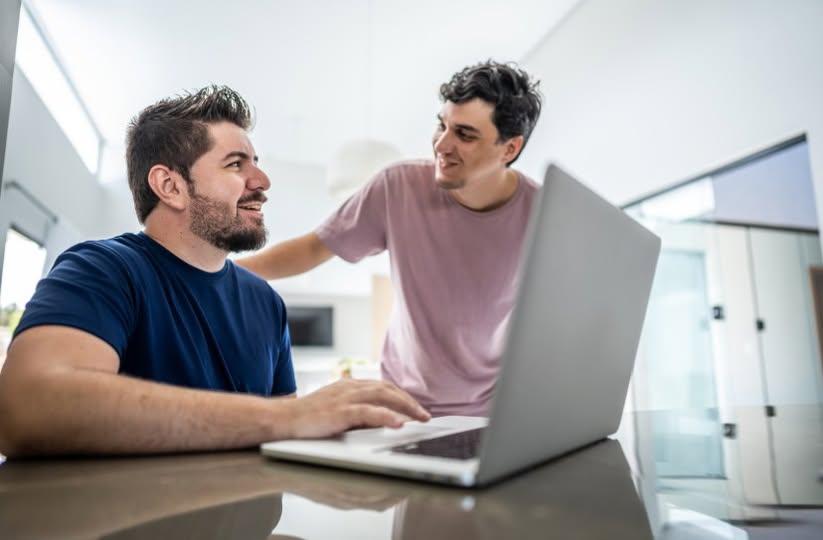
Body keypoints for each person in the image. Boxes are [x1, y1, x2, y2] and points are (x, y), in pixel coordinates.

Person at [0, 85, 429, 458]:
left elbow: (280, 434)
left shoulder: (266, 302)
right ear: (170, 186)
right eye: (236, 164)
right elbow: (23, 408)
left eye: (255, 161)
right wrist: (288, 416)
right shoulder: (103, 270)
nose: (262, 180)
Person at [238, 60, 542, 416]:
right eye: (442, 125)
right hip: (404, 404)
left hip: (495, 411)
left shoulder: (542, 213)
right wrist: (224, 274)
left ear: (509, 148)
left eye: (465, 134)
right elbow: (314, 247)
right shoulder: (398, 186)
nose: (442, 144)